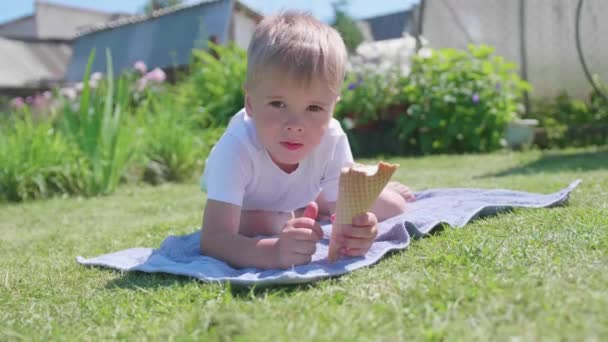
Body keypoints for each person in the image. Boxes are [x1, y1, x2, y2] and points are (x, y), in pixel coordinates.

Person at [199, 12, 415, 269]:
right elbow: (214, 239)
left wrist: (359, 233)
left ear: (333, 108)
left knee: (395, 206)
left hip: (304, 188)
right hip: (250, 201)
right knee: (267, 223)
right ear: (250, 104)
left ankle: (331, 191)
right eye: (278, 104)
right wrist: (273, 252)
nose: (295, 125)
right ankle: (302, 208)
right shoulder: (236, 149)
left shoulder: (332, 138)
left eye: (314, 108)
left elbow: (350, 225)